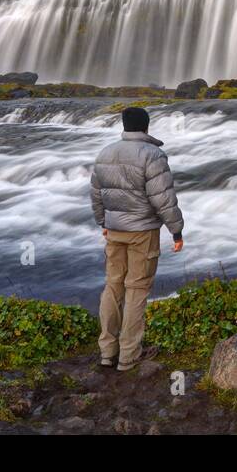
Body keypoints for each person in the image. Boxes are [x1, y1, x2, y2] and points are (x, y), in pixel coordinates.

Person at [89, 105, 184, 370]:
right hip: (143, 232)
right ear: (146, 126)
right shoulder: (152, 155)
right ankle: (129, 355)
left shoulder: (105, 153)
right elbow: (163, 199)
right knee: (137, 289)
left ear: (124, 125)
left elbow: (96, 195)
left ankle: (107, 350)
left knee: (113, 285)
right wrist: (176, 230)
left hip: (115, 229)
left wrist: (103, 223)